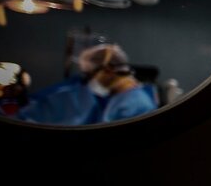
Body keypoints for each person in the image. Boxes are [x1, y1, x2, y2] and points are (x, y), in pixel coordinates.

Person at [16, 42, 157, 125]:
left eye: (90, 75)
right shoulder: (123, 98)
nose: (90, 81)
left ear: (107, 70)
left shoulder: (135, 105)